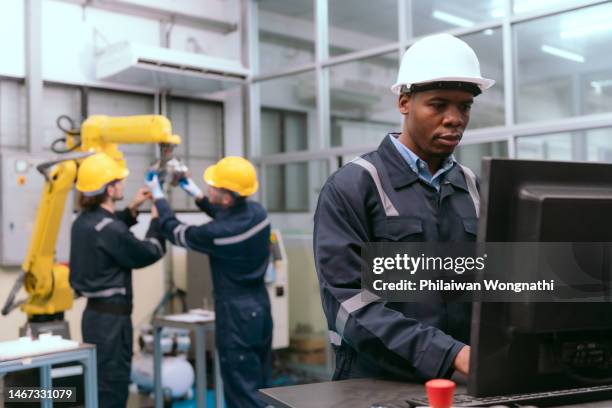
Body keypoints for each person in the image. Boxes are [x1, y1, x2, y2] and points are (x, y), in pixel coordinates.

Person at [313, 33, 495, 382]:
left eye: (465, 106)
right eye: (439, 104)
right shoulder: (354, 186)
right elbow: (347, 305)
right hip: (374, 382)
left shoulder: (473, 188)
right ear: (404, 102)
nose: (455, 118)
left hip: (460, 384)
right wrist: (451, 354)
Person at [146, 157, 273, 408]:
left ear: (227, 197)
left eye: (212, 186)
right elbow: (224, 215)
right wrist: (190, 189)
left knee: (241, 390)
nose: (208, 189)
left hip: (236, 314)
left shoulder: (218, 234)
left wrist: (158, 196)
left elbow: (176, 231)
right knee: (260, 384)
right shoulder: (257, 213)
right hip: (259, 306)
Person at [69, 153, 166, 407]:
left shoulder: (82, 222)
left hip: (94, 318)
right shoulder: (110, 229)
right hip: (112, 324)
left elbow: (109, 232)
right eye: (119, 181)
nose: (123, 184)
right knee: (112, 388)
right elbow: (149, 251)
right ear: (110, 189)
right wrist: (158, 218)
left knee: (98, 384)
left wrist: (132, 208)